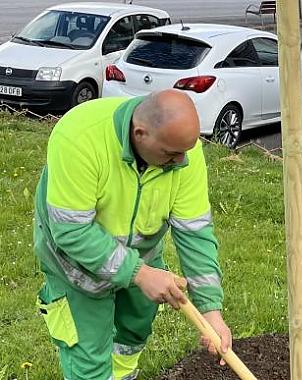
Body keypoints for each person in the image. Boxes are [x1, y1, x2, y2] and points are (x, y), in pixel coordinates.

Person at [33, 89, 231, 380]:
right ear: (140, 134)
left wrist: (210, 309)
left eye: (184, 153)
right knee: (89, 359)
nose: (180, 163)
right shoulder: (79, 137)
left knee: (133, 331)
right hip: (77, 267)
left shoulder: (183, 153)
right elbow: (72, 231)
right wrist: (140, 274)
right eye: (171, 154)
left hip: (142, 256)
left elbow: (195, 234)